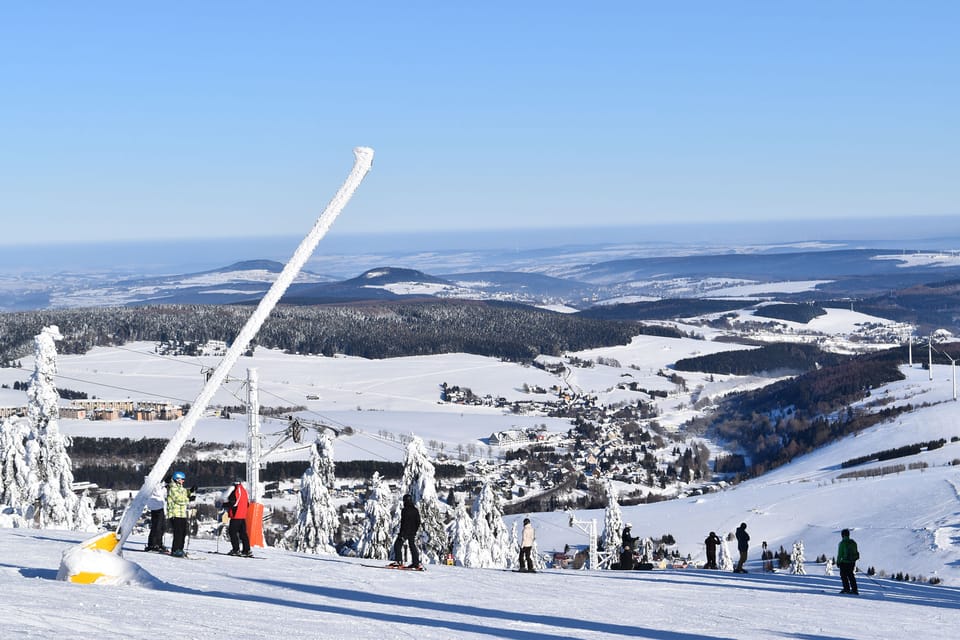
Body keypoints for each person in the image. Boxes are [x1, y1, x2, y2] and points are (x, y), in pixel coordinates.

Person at [391, 494, 422, 569]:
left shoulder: (404, 510)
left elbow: (403, 523)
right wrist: (414, 531)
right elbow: (418, 522)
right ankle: (416, 563)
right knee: (412, 546)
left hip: (405, 532)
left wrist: (401, 533)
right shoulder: (415, 510)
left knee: (397, 545)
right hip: (412, 532)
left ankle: (399, 562)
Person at [166, 471, 192, 557]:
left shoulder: (181, 488)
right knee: (178, 533)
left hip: (182, 514)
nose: (183, 481)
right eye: (182, 479)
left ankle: (180, 549)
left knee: (183, 532)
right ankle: (175, 550)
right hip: (174, 514)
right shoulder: (172, 488)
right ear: (177, 479)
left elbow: (185, 493)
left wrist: (191, 491)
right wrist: (189, 499)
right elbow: (179, 499)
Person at [226, 480, 252, 557]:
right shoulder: (244, 491)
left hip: (236, 515)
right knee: (243, 533)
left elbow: (233, 503)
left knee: (232, 532)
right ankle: (247, 550)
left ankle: (236, 549)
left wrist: (223, 504)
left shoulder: (236, 491)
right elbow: (247, 503)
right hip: (243, 516)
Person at [144, 479, 168, 552]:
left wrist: (165, 486)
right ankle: (153, 544)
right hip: (155, 506)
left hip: (160, 506)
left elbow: (163, 494)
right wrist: (164, 483)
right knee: (157, 526)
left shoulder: (160, 483)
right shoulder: (151, 479)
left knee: (162, 527)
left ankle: (159, 543)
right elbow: (156, 491)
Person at [837, 528, 860, 594]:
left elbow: (840, 554)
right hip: (852, 562)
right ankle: (854, 590)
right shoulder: (853, 542)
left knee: (844, 576)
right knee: (851, 575)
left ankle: (846, 589)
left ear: (842, 535)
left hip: (844, 562)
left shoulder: (842, 543)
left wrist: (838, 562)